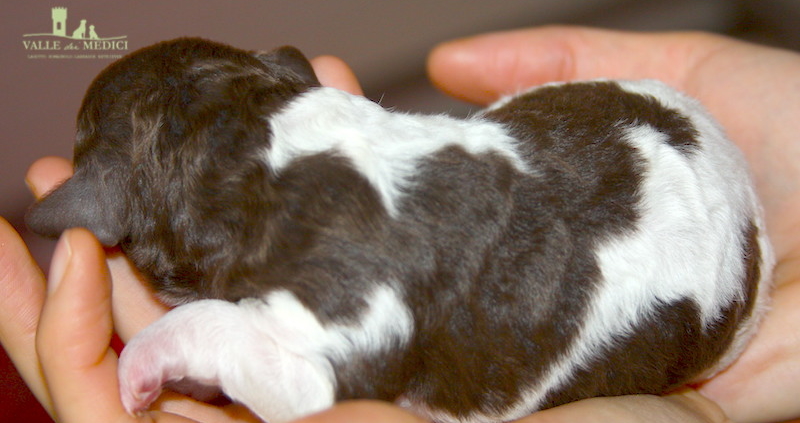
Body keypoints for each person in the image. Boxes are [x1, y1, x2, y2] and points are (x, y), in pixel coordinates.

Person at [0, 25, 798, 423]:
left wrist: (199, 336)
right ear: (283, 81)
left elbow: (308, 388)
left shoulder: (343, 281)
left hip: (706, 287)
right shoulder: (347, 136)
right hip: (663, 131)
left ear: (119, 219)